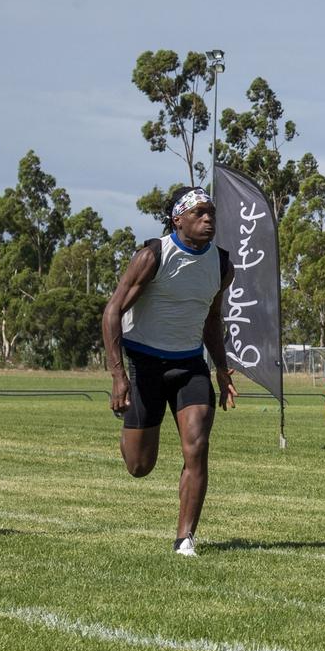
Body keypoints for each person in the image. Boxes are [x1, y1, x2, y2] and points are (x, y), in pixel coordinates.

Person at [102, 186, 237, 557]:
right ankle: (134, 428)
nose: (208, 219)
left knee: (197, 446)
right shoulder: (154, 255)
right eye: (199, 213)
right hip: (144, 364)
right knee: (139, 465)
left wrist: (222, 369)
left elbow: (212, 319)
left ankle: (185, 539)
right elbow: (112, 311)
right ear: (178, 219)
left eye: (211, 213)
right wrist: (118, 376)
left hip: (190, 365)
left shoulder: (223, 265)